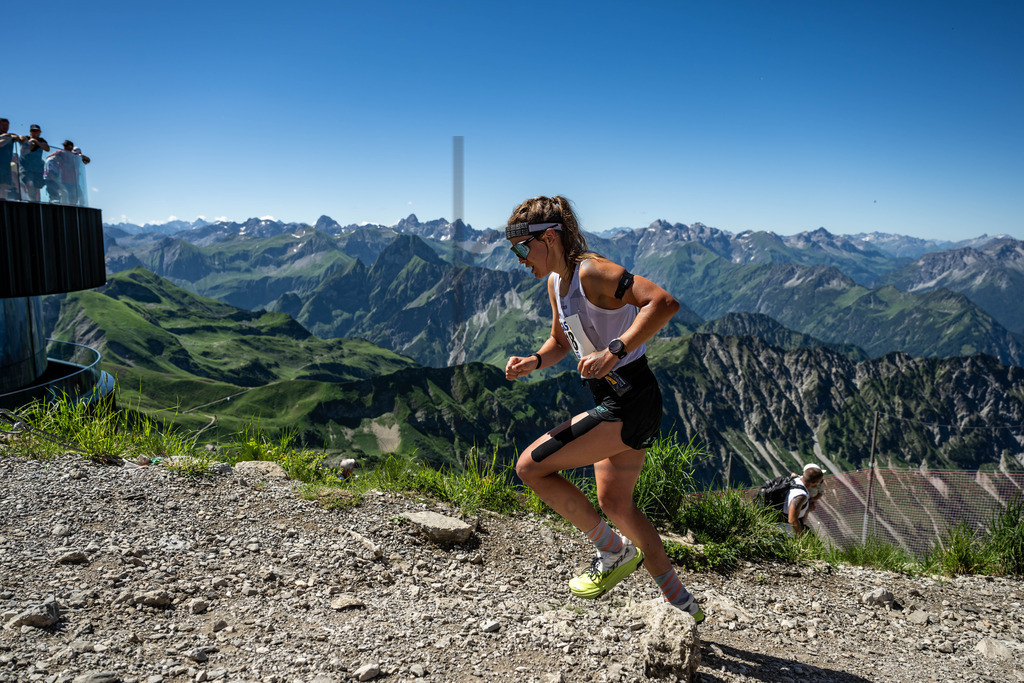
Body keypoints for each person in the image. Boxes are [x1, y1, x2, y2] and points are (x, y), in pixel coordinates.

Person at [504, 195, 703, 622]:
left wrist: (615, 350)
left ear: (549, 238)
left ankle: (612, 550)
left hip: (628, 399)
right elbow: (562, 342)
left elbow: (663, 303)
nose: (520, 259)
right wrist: (534, 361)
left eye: (523, 248)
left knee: (530, 467)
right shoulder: (556, 283)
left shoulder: (592, 271)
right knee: (617, 504)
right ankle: (682, 603)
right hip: (621, 399)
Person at [784, 464, 826, 537]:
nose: (821, 482)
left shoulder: (796, 479)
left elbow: (793, 474)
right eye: (820, 481)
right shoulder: (801, 496)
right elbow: (792, 520)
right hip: (786, 529)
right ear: (813, 483)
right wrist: (801, 537)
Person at [17, 124, 49, 201]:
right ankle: (31, 201)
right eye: (33, 131)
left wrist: (35, 142)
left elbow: (47, 148)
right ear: (30, 132)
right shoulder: (26, 139)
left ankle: (34, 201)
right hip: (26, 168)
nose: (35, 133)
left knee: (36, 187)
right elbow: (24, 152)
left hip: (37, 169)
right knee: (30, 184)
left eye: (38, 131)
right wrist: (29, 143)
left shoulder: (41, 141)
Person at [0, 118, 16, 200]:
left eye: (6, 125)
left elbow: (21, 139)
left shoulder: (10, 136)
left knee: (5, 185)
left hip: (6, 165)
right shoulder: (8, 137)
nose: (5, 127)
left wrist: (18, 137)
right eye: (2, 125)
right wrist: (9, 137)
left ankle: (3, 201)